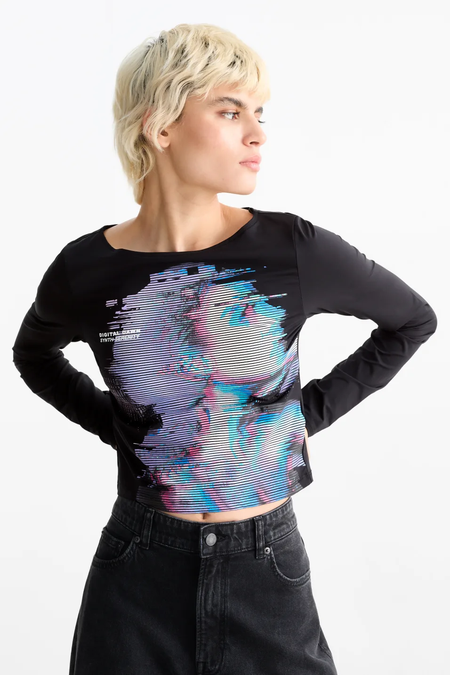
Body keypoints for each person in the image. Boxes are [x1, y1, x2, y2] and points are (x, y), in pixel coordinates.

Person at [11, 22, 437, 675]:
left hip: (264, 566)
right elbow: (34, 356)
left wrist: (298, 417)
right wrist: (118, 427)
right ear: (161, 126)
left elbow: (411, 321)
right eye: (231, 111)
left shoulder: (292, 249)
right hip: (138, 573)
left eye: (260, 114)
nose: (258, 134)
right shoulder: (85, 269)